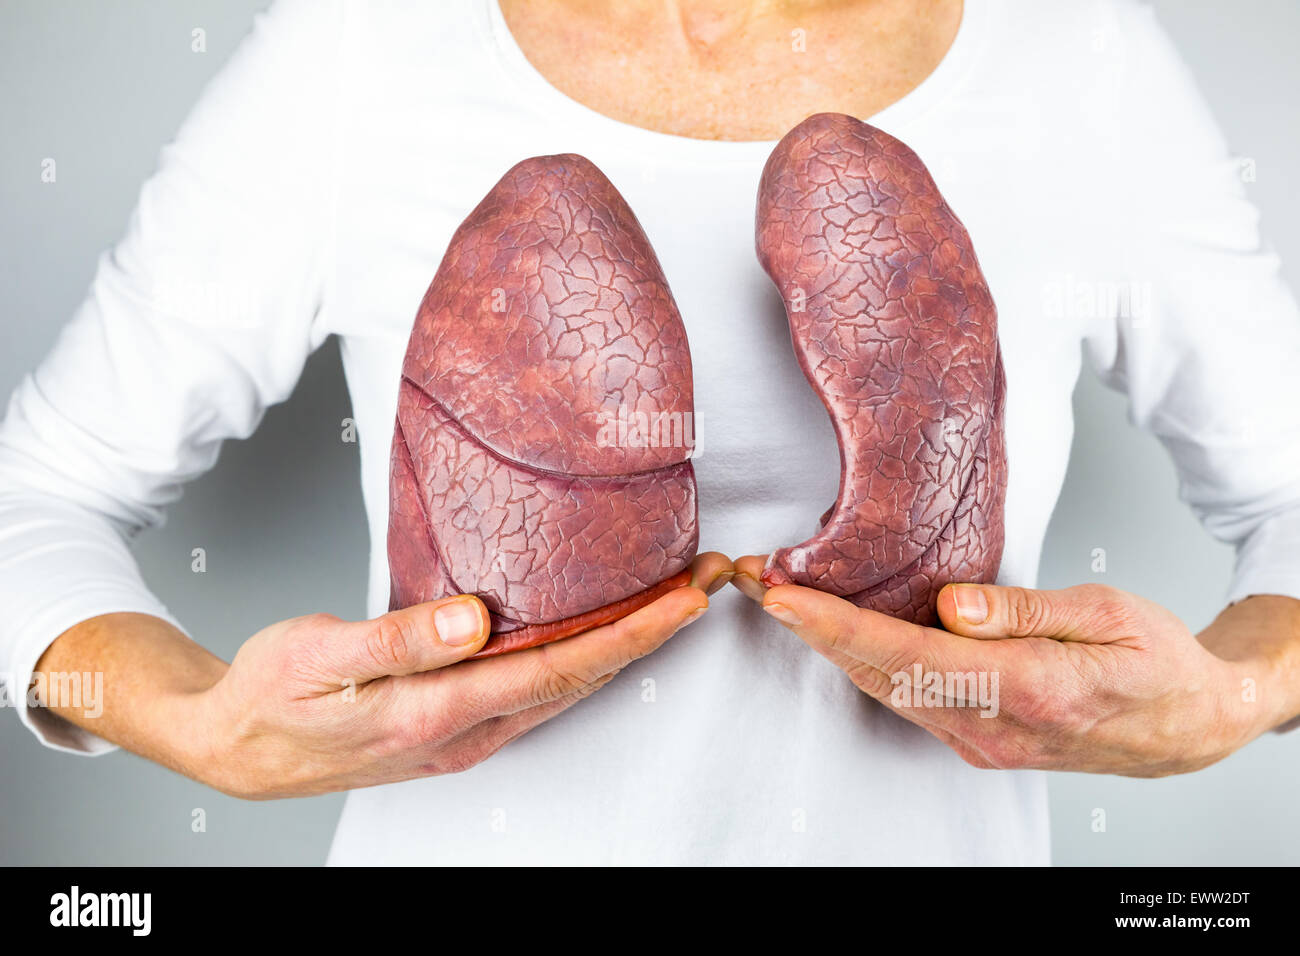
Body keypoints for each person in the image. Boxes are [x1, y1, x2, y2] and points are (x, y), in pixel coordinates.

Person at [3, 0, 1298, 865]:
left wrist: (1235, 699)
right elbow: (35, 500)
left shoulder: (1071, 53)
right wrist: (193, 726)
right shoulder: (368, 47)